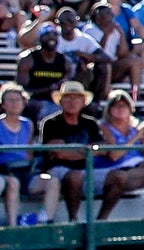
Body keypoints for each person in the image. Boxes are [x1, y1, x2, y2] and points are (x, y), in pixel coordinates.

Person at [38, 80, 101, 222]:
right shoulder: (50, 123)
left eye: (77, 98)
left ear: (83, 101)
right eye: (68, 97)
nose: (72, 102)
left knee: (117, 177)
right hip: (57, 169)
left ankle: (101, 221)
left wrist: (74, 151)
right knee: (75, 176)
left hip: (88, 169)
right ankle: (73, 219)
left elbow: (101, 148)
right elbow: (57, 152)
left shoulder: (90, 123)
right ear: (60, 101)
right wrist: (86, 151)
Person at [0, 83, 42, 224]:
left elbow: (29, 151)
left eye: (18, 100)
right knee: (13, 183)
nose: (15, 103)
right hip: (5, 171)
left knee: (52, 181)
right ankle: (13, 226)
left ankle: (45, 220)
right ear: (3, 104)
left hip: (24, 170)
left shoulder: (28, 124)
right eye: (10, 100)